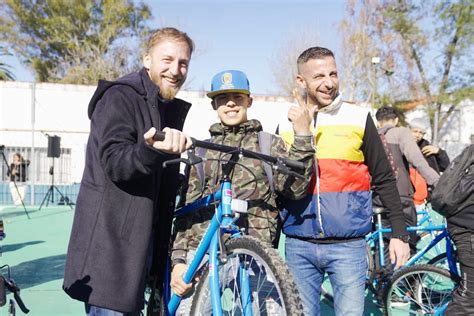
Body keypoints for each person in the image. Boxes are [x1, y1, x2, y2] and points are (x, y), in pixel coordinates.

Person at [63, 27, 195, 315]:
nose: (175, 70)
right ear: (147, 59)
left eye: (183, 63)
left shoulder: (162, 104)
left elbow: (157, 178)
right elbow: (114, 160)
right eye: (167, 60)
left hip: (142, 250)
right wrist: (151, 150)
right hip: (111, 254)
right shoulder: (120, 96)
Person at [278, 46, 410, 316]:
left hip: (348, 247)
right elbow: (278, 188)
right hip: (298, 245)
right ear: (301, 81)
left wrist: (399, 233)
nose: (329, 82)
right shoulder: (283, 124)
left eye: (333, 74)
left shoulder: (358, 117)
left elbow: (384, 177)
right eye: (319, 77)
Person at [169, 70, 315, 313]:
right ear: (214, 104)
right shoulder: (202, 151)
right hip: (204, 252)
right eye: (223, 98)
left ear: (249, 101)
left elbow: (296, 189)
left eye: (237, 96)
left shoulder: (269, 144)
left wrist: (302, 135)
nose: (230, 103)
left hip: (255, 253)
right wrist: (178, 261)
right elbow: (186, 212)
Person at [374, 105, 439, 256]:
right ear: (396, 120)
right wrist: (439, 183)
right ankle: (403, 278)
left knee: (383, 245)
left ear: (378, 122)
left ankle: (383, 276)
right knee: (406, 244)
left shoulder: (371, 135)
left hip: (377, 198)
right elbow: (417, 161)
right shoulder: (401, 133)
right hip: (401, 197)